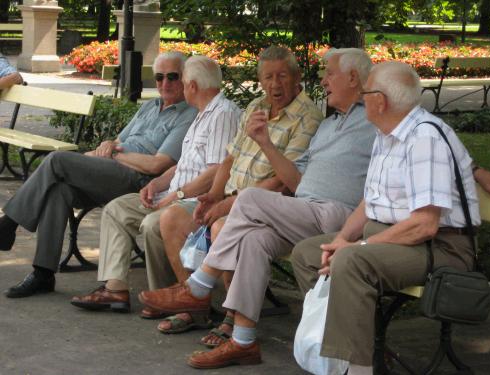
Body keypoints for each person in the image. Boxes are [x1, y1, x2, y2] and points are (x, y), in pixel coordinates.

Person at [138, 47, 375, 368]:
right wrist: (261, 145)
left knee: (247, 199)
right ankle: (243, 340)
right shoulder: (330, 125)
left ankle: (197, 287)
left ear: (353, 78)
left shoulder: (373, 121)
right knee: (252, 241)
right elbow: (296, 178)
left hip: (337, 214)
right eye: (268, 76)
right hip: (303, 211)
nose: (324, 80)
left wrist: (469, 170)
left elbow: (412, 135)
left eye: (329, 74)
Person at [292, 61, 481, 375]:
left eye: (365, 93)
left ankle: (359, 368)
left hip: (441, 248)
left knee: (350, 262)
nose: (361, 98)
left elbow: (425, 224)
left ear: (380, 101)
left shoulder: (424, 139)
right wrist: (341, 240)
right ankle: (348, 349)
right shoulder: (387, 133)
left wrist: (358, 246)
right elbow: (371, 202)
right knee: (310, 254)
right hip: (397, 240)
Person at [1, 51, 198, 298]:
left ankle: (8, 223)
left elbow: (157, 165)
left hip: (140, 181)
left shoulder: (188, 115)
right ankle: (43, 273)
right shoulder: (150, 106)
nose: (165, 83)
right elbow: (119, 141)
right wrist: (107, 145)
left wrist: (113, 154)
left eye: (172, 77)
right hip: (111, 172)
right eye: (159, 77)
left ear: (185, 78)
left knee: (57, 159)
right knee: (58, 190)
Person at [70, 55, 241, 313]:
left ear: (192, 85)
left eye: (180, 80)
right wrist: (157, 184)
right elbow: (183, 164)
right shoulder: (202, 113)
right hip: (172, 194)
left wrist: (177, 194)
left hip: (195, 201)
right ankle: (115, 289)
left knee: (152, 224)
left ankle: (167, 296)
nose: (177, 86)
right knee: (117, 209)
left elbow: (216, 172)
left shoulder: (223, 114)